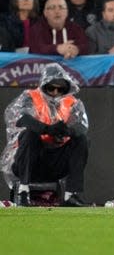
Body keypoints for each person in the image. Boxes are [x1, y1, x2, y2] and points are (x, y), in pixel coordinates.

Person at [0, 63, 89, 207]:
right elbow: (21, 118)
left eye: (60, 89)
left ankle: (71, 194)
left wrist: (66, 131)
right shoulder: (30, 97)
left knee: (82, 140)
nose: (55, 92)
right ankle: (23, 191)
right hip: (29, 161)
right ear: (43, 85)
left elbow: (82, 126)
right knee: (30, 134)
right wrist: (47, 129)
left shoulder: (72, 103)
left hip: (55, 163)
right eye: (51, 88)